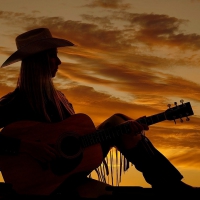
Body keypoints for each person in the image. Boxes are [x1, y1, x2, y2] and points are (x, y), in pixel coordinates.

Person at [0, 28, 198, 199]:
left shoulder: (60, 99)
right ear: (38, 61)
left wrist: (122, 130)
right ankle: (173, 187)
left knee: (118, 123)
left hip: (70, 174)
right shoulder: (13, 103)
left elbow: (76, 144)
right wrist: (24, 146)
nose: (59, 61)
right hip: (44, 184)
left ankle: (171, 185)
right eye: (52, 55)